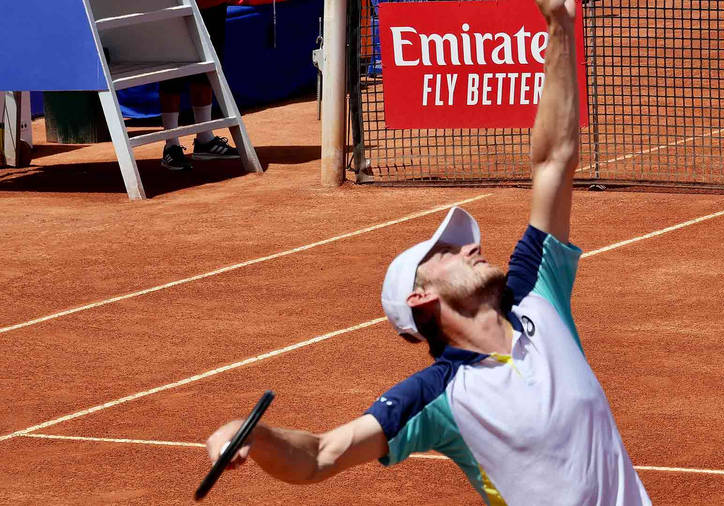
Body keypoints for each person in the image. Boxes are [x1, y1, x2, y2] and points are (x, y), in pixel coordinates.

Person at [205, 0, 651, 503]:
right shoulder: (437, 398)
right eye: (450, 251)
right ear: (420, 299)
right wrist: (252, 434)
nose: (473, 247)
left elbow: (553, 160)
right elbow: (320, 455)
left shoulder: (536, 295)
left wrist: (560, 25)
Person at [159, 0, 240, 171]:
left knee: (207, 67)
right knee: (171, 71)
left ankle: (205, 139)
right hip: (174, 7)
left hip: (212, 5)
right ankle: (171, 144)